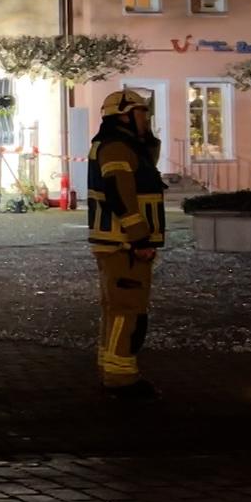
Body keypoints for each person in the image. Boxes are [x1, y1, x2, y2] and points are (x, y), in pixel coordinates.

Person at [86, 89, 166, 400]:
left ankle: (112, 370)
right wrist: (139, 239)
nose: (147, 119)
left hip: (117, 243)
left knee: (116, 310)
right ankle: (122, 378)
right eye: (141, 113)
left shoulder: (119, 144)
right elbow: (120, 193)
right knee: (128, 311)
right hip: (125, 245)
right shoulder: (118, 147)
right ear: (124, 115)